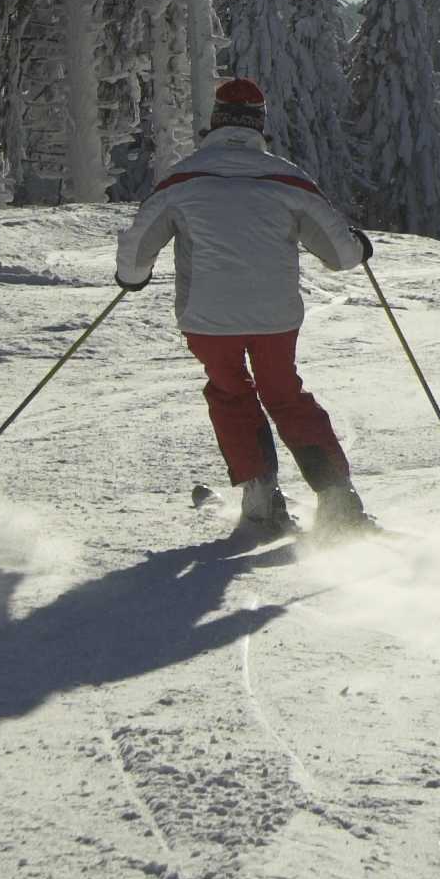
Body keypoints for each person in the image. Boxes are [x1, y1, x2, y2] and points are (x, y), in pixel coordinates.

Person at [116, 75, 379, 541]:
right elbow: (340, 255)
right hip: (275, 318)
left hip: (207, 317)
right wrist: (359, 247)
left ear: (216, 122)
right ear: (259, 124)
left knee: (231, 393)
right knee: (285, 395)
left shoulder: (183, 180)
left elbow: (138, 244)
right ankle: (338, 502)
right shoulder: (287, 180)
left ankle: (261, 500)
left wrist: (132, 278)